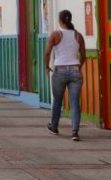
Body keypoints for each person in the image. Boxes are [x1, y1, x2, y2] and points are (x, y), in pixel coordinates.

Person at [44, 9, 87, 141]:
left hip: (60, 70)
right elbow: (83, 55)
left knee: (57, 100)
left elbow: (47, 52)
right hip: (75, 70)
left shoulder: (55, 35)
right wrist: (78, 66)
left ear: (60, 20)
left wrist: (46, 66)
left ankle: (54, 126)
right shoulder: (78, 35)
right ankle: (75, 132)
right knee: (75, 102)